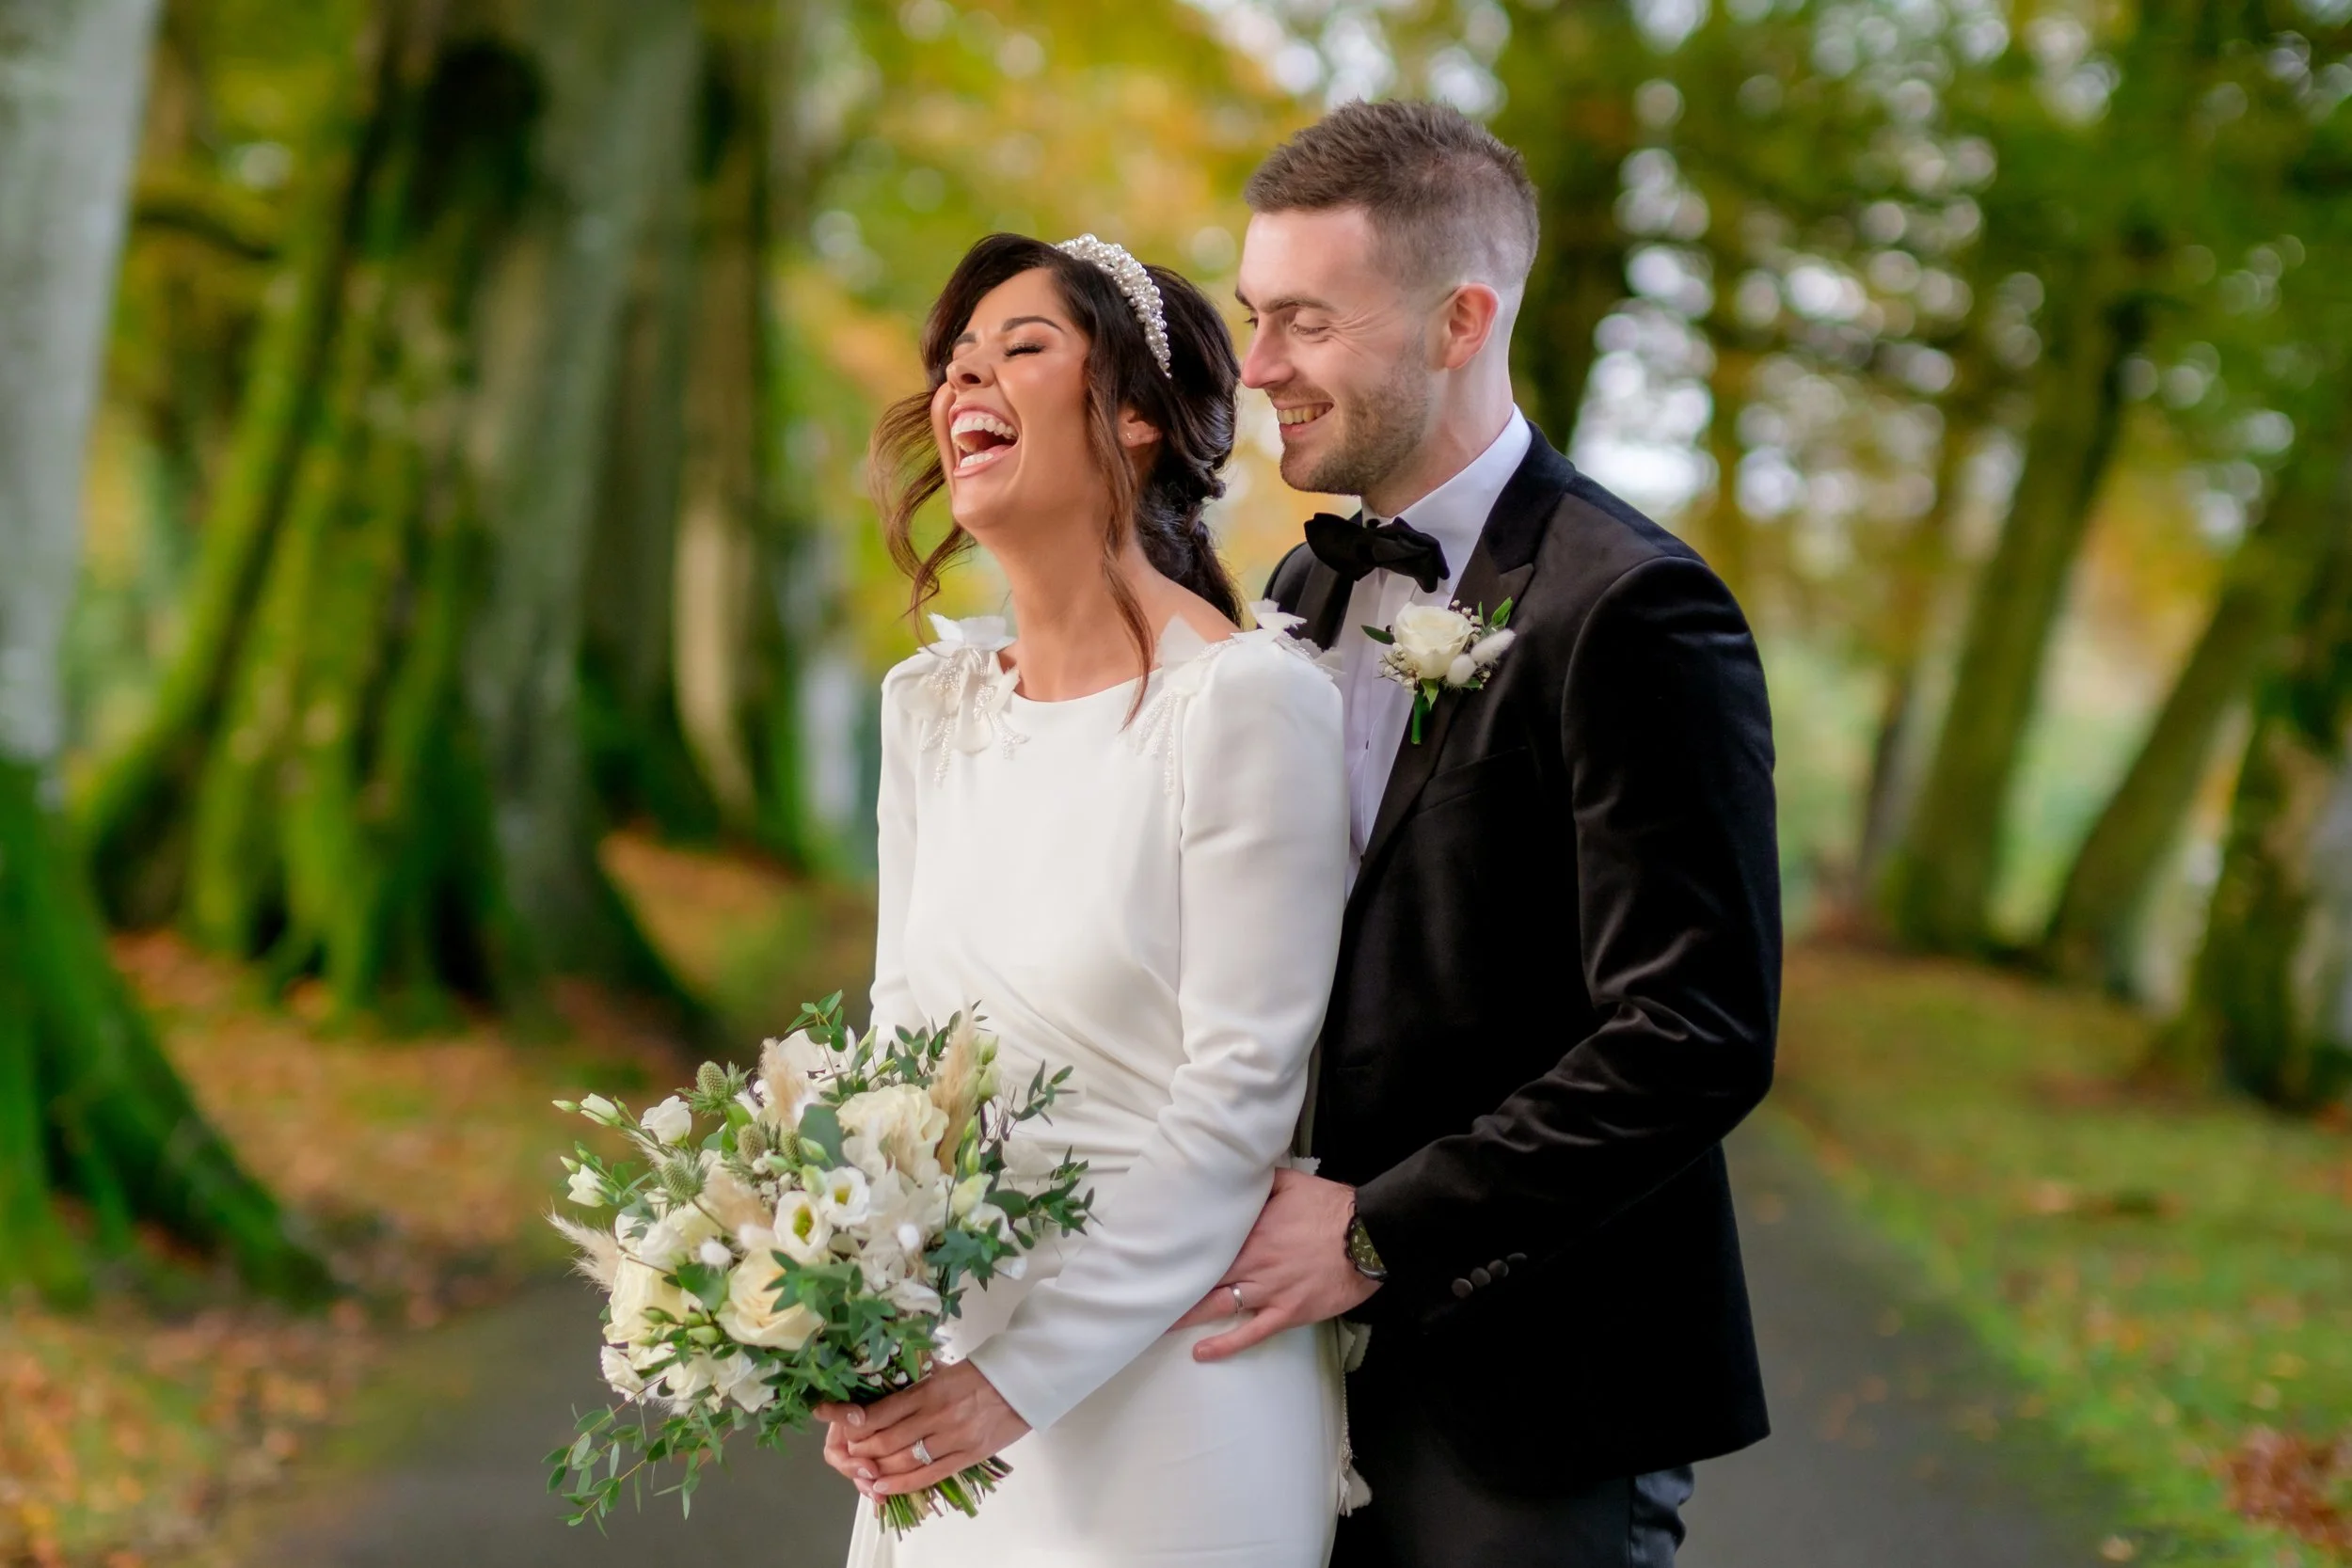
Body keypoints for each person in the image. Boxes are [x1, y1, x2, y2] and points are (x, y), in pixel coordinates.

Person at [1168, 100, 1784, 1567]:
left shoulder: (1633, 607)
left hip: (1535, 1381)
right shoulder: (1298, 598)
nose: (1258, 369)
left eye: (1306, 321)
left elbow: (1692, 1029)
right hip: (1282, 1374)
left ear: (1459, 319)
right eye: (1256, 317)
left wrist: (1381, 1225)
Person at [817, 231, 1353, 1566]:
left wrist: (1015, 1381)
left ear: (1135, 418)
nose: (961, 382)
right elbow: (895, 1048)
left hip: (1176, 1391)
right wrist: (838, 1308)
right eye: (951, 361)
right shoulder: (926, 708)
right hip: (947, 1382)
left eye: (1020, 346)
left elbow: (1239, 1101)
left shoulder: (1247, 704)